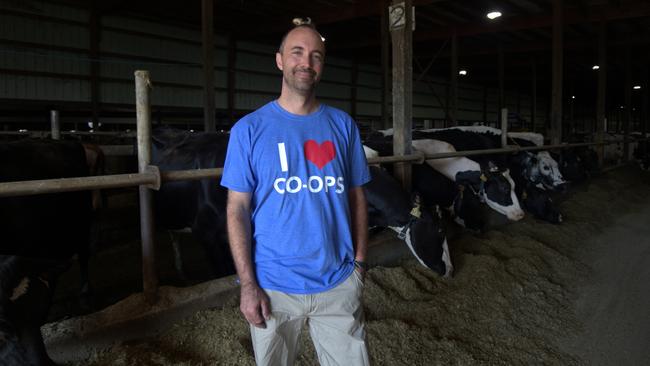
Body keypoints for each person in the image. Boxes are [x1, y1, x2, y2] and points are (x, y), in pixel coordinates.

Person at [221, 21, 371, 366]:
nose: (307, 62)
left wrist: (360, 264)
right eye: (298, 53)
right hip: (273, 286)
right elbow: (237, 209)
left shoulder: (343, 125)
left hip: (338, 283)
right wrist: (248, 284)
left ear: (322, 66)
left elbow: (356, 197)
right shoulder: (249, 130)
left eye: (316, 56)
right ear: (279, 60)